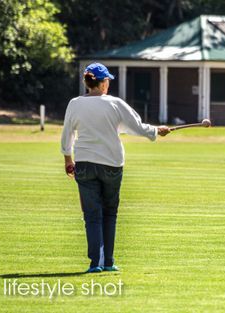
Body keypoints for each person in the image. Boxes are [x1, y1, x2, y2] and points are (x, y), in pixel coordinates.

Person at [61, 63, 170, 273]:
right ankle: (108, 261)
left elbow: (67, 134)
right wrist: (157, 131)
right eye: (107, 80)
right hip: (111, 164)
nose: (108, 84)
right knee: (110, 213)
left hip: (84, 164)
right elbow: (137, 127)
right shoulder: (115, 103)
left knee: (92, 215)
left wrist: (68, 159)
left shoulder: (74, 104)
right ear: (102, 84)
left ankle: (96, 263)